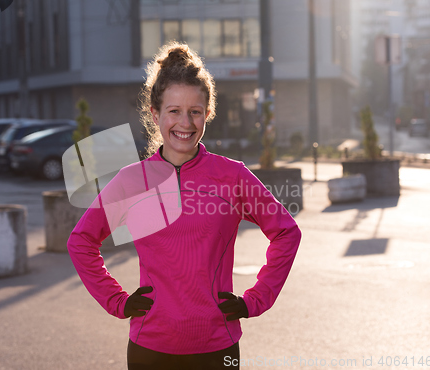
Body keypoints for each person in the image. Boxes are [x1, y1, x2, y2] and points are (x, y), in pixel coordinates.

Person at [67, 42, 302, 370]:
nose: (185, 122)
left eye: (195, 111)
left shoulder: (232, 175)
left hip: (217, 347)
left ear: (208, 113)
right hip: (151, 347)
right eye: (174, 111)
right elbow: (81, 241)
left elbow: (287, 233)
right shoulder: (132, 180)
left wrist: (254, 301)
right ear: (155, 114)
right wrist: (117, 301)